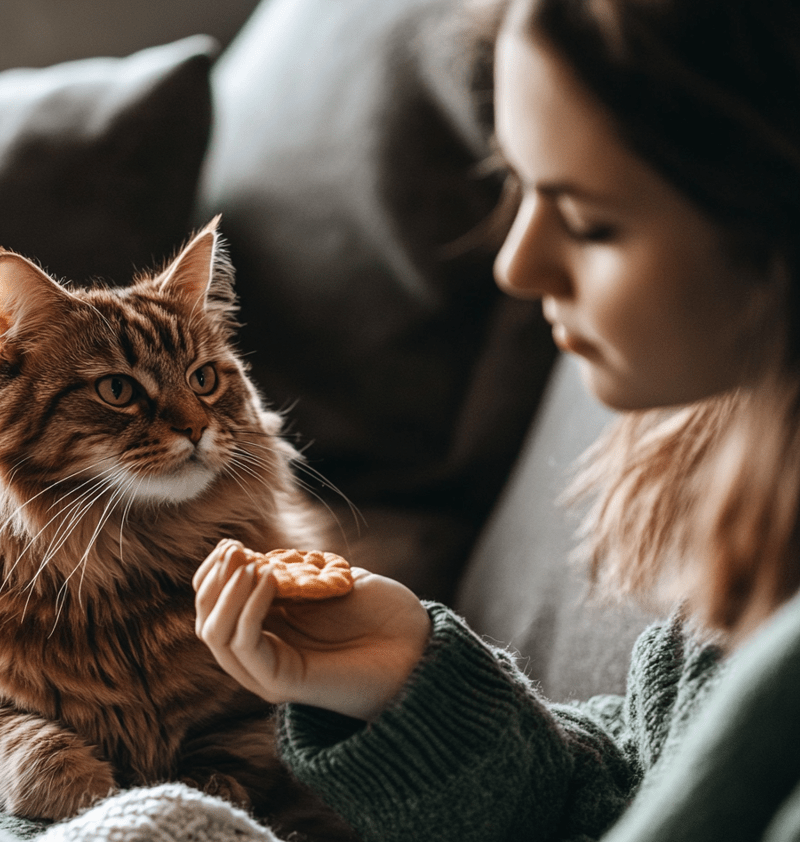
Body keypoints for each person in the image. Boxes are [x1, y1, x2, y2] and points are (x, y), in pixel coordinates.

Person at [194, 0, 800, 839]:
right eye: (517, 185)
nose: (517, 265)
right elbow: (631, 794)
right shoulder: (741, 508)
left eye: (590, 222)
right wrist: (410, 684)